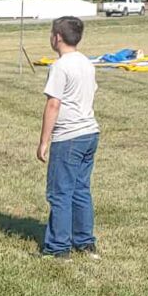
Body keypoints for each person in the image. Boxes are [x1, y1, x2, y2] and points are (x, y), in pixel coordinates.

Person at [37, 15, 99, 259]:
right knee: (81, 189)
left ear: (57, 37)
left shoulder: (60, 66)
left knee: (60, 192)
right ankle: (85, 242)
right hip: (90, 133)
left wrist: (44, 141)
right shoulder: (86, 62)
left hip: (69, 137)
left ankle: (58, 248)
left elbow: (54, 104)